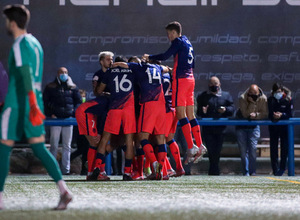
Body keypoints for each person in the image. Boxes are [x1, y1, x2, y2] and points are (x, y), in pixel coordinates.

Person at [0, 4, 72, 210]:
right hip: (35, 102)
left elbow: (25, 75)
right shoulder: (35, 43)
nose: (6, 24)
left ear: (12, 23)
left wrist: (30, 102)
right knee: (39, 148)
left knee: (3, 149)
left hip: (18, 102)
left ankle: (0, 200)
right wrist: (34, 103)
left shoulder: (19, 44)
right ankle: (64, 191)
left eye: (6, 20)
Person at [143, 21, 206, 164]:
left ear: (174, 32)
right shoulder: (188, 42)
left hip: (181, 80)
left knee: (180, 113)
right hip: (191, 78)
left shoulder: (177, 41)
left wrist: (150, 57)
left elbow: (165, 56)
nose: (168, 37)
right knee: (191, 115)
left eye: (169, 33)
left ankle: (191, 146)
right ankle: (200, 145)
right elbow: (192, 63)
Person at [43, 67, 82, 175]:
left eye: (65, 72)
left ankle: (66, 170)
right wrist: (50, 113)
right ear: (57, 73)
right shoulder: (51, 87)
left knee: (67, 146)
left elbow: (78, 101)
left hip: (68, 119)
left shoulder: (73, 87)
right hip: (55, 119)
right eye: (61, 72)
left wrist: (73, 112)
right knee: (54, 145)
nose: (64, 74)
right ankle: (52, 170)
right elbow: (45, 102)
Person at [197, 76, 234, 175]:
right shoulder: (203, 96)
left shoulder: (226, 95)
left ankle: (215, 170)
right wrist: (202, 111)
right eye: (212, 84)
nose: (214, 86)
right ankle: (213, 170)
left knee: (217, 150)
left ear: (219, 85)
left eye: (216, 84)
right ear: (209, 85)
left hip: (221, 129)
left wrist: (225, 110)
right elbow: (198, 112)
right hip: (208, 129)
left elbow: (232, 109)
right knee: (210, 150)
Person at [236, 84, 268, 176]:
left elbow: (264, 113)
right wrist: (252, 103)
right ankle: (245, 172)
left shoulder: (263, 98)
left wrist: (257, 115)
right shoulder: (243, 98)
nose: (252, 95)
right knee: (243, 151)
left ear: (258, 92)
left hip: (254, 127)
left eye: (255, 93)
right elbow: (246, 114)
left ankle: (252, 171)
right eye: (251, 93)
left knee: (253, 150)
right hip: (241, 127)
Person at [268, 83, 293, 176]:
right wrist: (274, 116)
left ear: (283, 91)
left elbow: (289, 114)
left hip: (284, 128)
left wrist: (281, 115)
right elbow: (269, 113)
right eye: (276, 92)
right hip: (273, 127)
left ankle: (282, 168)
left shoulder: (288, 100)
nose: (278, 94)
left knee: (284, 148)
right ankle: (275, 169)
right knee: (273, 148)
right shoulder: (270, 100)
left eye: (279, 92)